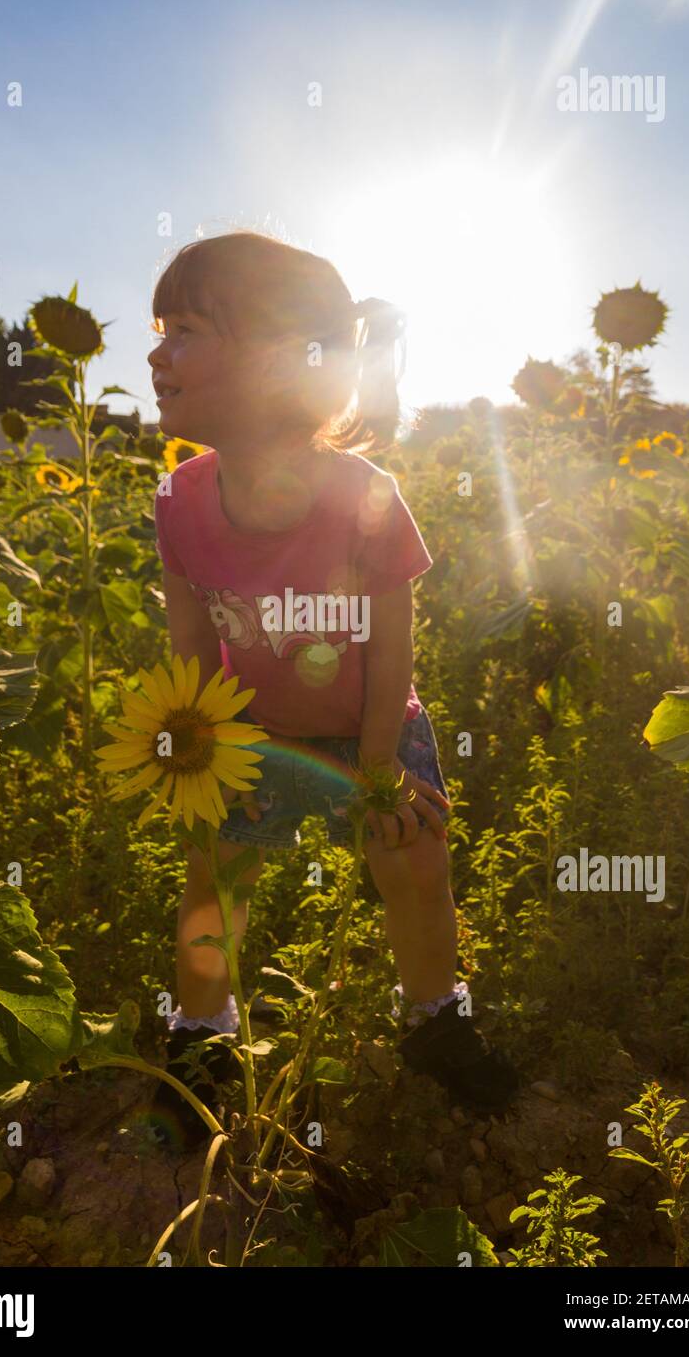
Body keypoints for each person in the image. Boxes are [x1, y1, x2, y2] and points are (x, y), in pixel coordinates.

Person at [147, 230, 518, 1149]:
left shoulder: (363, 494)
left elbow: (394, 643)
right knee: (215, 885)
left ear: (280, 363)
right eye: (161, 330)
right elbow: (190, 640)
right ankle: (203, 1038)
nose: (155, 354)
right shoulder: (181, 501)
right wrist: (198, 746)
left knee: (415, 867)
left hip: (370, 727)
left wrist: (384, 761)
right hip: (254, 732)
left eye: (184, 330)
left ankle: (436, 1019)